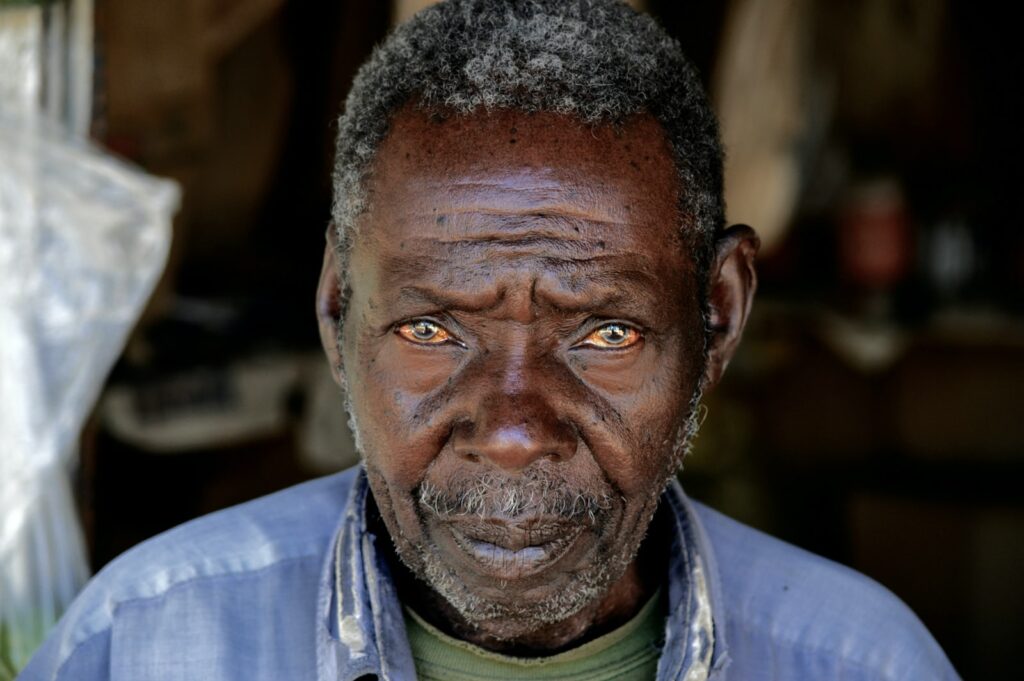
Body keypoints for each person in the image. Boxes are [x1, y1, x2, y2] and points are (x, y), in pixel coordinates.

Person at [19, 1, 959, 679]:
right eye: (431, 329)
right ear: (338, 310)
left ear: (717, 313)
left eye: (605, 333)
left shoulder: (863, 662)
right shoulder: (142, 644)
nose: (513, 432)